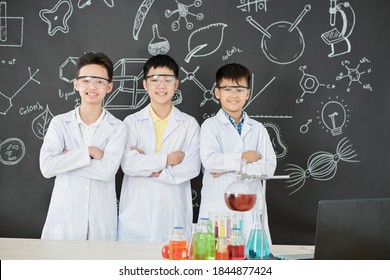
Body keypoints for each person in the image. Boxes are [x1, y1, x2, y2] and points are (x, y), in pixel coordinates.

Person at [39, 51, 127, 240]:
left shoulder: (118, 128)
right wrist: (88, 152)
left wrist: (66, 159)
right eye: (86, 80)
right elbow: (47, 168)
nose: (92, 86)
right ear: (76, 84)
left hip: (100, 218)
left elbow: (106, 172)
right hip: (64, 217)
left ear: (109, 87)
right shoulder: (59, 123)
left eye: (99, 81)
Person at [117, 54, 201, 243]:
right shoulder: (131, 122)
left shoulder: (189, 124)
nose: (161, 85)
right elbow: (128, 164)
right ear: (145, 85)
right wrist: (168, 160)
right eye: (154, 80)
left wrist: (148, 165)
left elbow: (192, 167)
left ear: (176, 84)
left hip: (173, 211)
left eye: (167, 80)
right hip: (137, 214)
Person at [198, 62, 277, 243]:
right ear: (217, 93)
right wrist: (246, 158)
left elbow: (269, 168)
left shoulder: (258, 129)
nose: (234, 95)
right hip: (219, 209)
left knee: (254, 262)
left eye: (240, 90)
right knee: (219, 260)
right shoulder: (210, 126)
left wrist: (228, 167)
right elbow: (210, 161)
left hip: (251, 210)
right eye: (227, 89)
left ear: (248, 94)